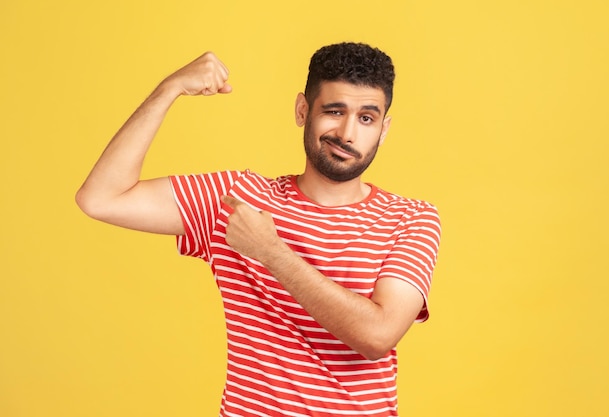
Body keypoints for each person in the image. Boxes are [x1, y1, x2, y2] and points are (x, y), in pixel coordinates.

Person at [76, 42, 441, 417]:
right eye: (334, 111)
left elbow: (377, 336)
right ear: (303, 110)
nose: (347, 133)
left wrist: (271, 252)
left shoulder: (410, 219)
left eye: (367, 118)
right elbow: (101, 198)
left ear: (384, 129)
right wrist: (168, 89)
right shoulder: (240, 199)